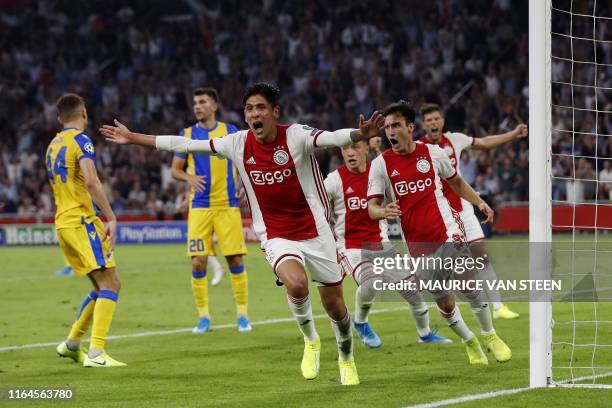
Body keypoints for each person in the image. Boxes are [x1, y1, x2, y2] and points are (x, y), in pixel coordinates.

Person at [101, 82, 385, 385]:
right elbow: (183, 145)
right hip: (276, 235)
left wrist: (359, 135)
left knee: (336, 308)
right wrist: (133, 138)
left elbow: (331, 138)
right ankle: (311, 339)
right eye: (249, 109)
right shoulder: (236, 143)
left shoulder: (297, 136)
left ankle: (345, 355)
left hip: (316, 233)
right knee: (297, 284)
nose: (254, 114)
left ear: (275, 112)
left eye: (261, 107)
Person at [367, 101, 511, 365]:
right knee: (444, 304)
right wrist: (383, 211)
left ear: (410, 127)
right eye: (387, 127)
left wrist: (479, 202)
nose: (390, 131)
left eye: (396, 125)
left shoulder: (433, 153)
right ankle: (470, 341)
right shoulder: (381, 165)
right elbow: (371, 207)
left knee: (467, 282)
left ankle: (490, 334)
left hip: (448, 231)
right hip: (418, 246)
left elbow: (456, 181)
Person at [324, 140, 451, 347]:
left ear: (366, 149)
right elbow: (316, 204)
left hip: (381, 245)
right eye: (345, 148)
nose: (350, 152)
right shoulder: (334, 180)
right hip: (351, 247)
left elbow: (401, 181)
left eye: (355, 147)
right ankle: (361, 322)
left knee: (413, 292)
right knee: (371, 283)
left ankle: (425, 334)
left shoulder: (379, 175)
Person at [419, 103, 527, 320]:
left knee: (481, 254)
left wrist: (513, 134)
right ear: (423, 125)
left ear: (442, 121)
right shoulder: (417, 148)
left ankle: (498, 308)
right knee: (446, 267)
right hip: (437, 214)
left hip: (462, 207)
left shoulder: (455, 139)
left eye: (436, 119)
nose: (433, 123)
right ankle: (450, 308)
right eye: (429, 120)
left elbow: (485, 143)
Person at [48, 93, 125, 367]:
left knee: (100, 284)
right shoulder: (81, 141)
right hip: (81, 221)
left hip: (62, 222)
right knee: (111, 283)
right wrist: (111, 217)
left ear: (59, 118)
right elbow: (92, 182)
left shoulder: (53, 145)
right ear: (84, 113)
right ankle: (96, 353)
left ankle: (71, 343)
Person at [171, 88, 250, 333]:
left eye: (202, 102)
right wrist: (188, 177)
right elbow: (175, 169)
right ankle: (204, 317)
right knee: (198, 263)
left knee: (234, 259)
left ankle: (242, 315)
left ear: (214, 105)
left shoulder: (231, 132)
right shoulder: (186, 134)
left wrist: (245, 188)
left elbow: (245, 161)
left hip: (227, 204)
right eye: (195, 102)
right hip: (200, 207)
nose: (197, 106)